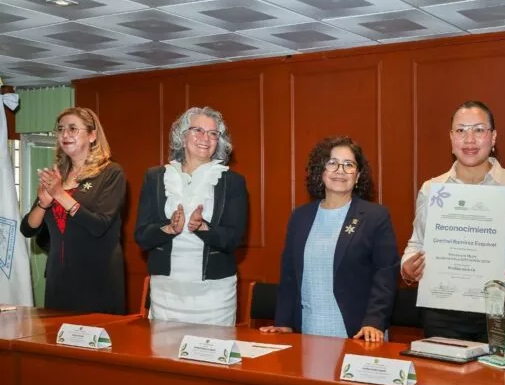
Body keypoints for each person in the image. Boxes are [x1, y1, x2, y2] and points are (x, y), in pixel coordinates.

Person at [400, 100, 505, 354]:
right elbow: (417, 241)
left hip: (503, 310)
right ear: (451, 138)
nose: (469, 139)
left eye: (479, 130)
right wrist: (407, 267)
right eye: (460, 130)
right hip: (443, 309)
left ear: (493, 137)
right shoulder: (432, 189)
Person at [261, 136, 399, 342]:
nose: (340, 171)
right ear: (321, 171)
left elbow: (385, 275)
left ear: (358, 175)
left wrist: (374, 321)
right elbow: (289, 275)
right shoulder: (300, 217)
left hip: (360, 333)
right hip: (308, 331)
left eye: (349, 165)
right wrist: (283, 323)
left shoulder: (374, 217)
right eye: (332, 163)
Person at [134, 107, 248, 326]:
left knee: (211, 357)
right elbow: (142, 236)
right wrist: (169, 229)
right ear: (183, 136)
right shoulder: (155, 178)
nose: (206, 138)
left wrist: (203, 228)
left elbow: (234, 240)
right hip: (166, 293)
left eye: (213, 133)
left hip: (214, 296)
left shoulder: (232, 181)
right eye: (198, 130)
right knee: (163, 358)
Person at [20, 107, 126, 314]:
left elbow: (99, 226)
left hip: (97, 277)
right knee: (56, 342)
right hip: (58, 278)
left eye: (72, 129)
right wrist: (43, 203)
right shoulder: (57, 175)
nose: (65, 134)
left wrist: (59, 195)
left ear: (93, 135)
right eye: (60, 129)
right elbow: (28, 229)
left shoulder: (111, 173)